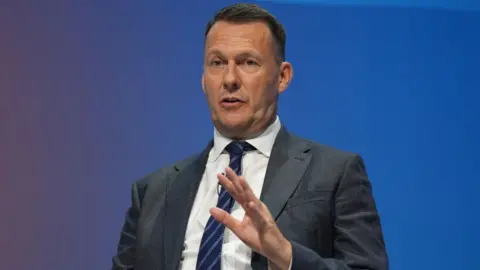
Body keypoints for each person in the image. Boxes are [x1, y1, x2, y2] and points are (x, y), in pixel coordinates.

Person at [112, 3, 388, 270]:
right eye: (217, 63)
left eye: (248, 62)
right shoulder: (153, 192)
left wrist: (287, 257)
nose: (230, 79)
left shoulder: (335, 174)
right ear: (203, 79)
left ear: (282, 77)